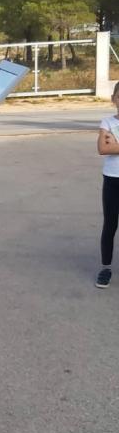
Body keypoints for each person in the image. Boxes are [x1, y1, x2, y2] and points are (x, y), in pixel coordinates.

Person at [95, 80, 119, 288]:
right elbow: (103, 149)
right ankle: (106, 268)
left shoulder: (111, 129)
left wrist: (116, 145)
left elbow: (111, 147)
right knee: (110, 224)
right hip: (112, 179)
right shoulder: (107, 122)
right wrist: (110, 144)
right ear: (113, 99)